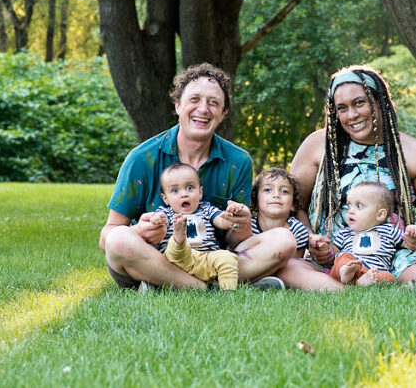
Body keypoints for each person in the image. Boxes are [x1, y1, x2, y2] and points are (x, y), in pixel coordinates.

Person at [99, 63, 295, 291]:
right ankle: (209, 288)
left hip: (209, 258)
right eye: (194, 99)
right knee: (118, 240)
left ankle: (168, 285)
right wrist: (139, 232)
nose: (203, 109)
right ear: (177, 105)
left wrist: (240, 224)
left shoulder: (238, 160)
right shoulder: (142, 158)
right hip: (156, 257)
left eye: (213, 102)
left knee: (284, 240)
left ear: (223, 113)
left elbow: (235, 242)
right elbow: (107, 236)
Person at [291, 64, 416, 284]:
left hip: (394, 254)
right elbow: (296, 206)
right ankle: (360, 284)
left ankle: (373, 280)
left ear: (380, 101)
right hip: (334, 254)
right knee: (289, 269)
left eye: (359, 103)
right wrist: (312, 241)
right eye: (342, 108)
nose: (352, 115)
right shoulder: (316, 146)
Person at [155, 163, 240, 290]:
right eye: (175, 190)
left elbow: (220, 220)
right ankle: (179, 236)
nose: (184, 194)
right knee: (173, 249)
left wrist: (229, 219)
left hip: (206, 259)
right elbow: (157, 220)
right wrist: (156, 220)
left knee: (228, 257)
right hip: (177, 262)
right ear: (165, 198)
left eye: (190, 188)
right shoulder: (166, 213)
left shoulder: (206, 209)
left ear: (200, 192)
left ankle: (229, 293)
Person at [328, 181, 401, 285]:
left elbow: (408, 241)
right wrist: (324, 248)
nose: (350, 211)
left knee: (388, 277)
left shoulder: (389, 230)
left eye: (359, 206)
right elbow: (333, 251)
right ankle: (346, 273)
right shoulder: (345, 232)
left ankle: (362, 282)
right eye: (349, 206)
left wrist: (414, 233)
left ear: (380, 214)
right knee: (344, 257)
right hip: (348, 267)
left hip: (372, 272)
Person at [250, 168, 309, 259]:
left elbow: (295, 263)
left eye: (284, 191)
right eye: (267, 190)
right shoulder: (249, 226)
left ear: (293, 204)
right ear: (256, 200)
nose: (276, 195)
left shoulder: (298, 230)